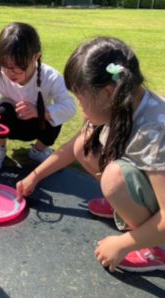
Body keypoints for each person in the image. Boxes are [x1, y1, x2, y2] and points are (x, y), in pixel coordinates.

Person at [16, 36, 165, 272]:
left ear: (109, 92)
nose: (82, 112)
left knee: (114, 178)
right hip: (149, 189)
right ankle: (126, 209)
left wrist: (123, 244)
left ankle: (153, 249)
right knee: (84, 145)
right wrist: (34, 176)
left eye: (81, 100)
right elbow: (71, 149)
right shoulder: (123, 102)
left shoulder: (156, 131)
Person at [0, 22, 76, 172]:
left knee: (55, 116)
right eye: (5, 65)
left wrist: (39, 111)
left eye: (18, 66)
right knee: (2, 109)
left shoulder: (51, 77)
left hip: (37, 126)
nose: (11, 72)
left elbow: (69, 107)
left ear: (36, 57)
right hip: (8, 125)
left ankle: (39, 150)